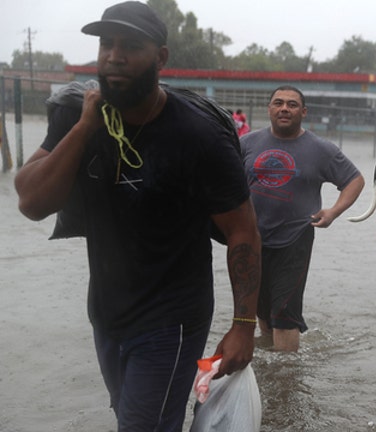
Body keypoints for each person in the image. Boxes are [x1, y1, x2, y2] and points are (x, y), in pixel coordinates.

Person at [13, 2, 262, 431]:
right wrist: (86, 125)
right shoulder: (79, 115)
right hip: (107, 314)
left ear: (161, 58)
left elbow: (243, 231)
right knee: (132, 419)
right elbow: (31, 200)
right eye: (106, 44)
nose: (114, 55)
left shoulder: (197, 135)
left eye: (131, 45)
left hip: (171, 321)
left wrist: (243, 326)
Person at [240, 85, 364, 352]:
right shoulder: (247, 143)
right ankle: (269, 374)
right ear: (269, 109)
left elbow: (355, 180)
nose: (284, 108)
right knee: (261, 310)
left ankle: (287, 380)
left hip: (295, 238)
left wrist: (333, 211)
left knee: (284, 313)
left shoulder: (320, 149)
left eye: (292, 104)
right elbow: (224, 181)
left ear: (303, 112)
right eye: (278, 103)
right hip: (252, 237)